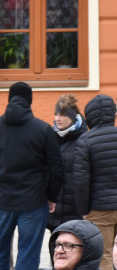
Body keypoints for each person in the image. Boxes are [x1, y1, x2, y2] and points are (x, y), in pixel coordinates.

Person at [0, 82, 64, 270]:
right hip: (34, 201)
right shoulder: (42, 129)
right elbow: (56, 167)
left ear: (9, 99)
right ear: (30, 100)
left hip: (3, 201)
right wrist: (51, 196)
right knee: (28, 252)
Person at [73, 93, 117, 270]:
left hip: (100, 208)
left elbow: (81, 181)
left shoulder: (86, 140)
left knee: (104, 255)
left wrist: (83, 210)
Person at [49, 94, 86, 233]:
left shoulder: (84, 140)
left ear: (72, 117)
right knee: (56, 244)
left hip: (76, 212)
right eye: (56, 114)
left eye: (62, 115)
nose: (57, 119)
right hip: (54, 211)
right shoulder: (50, 137)